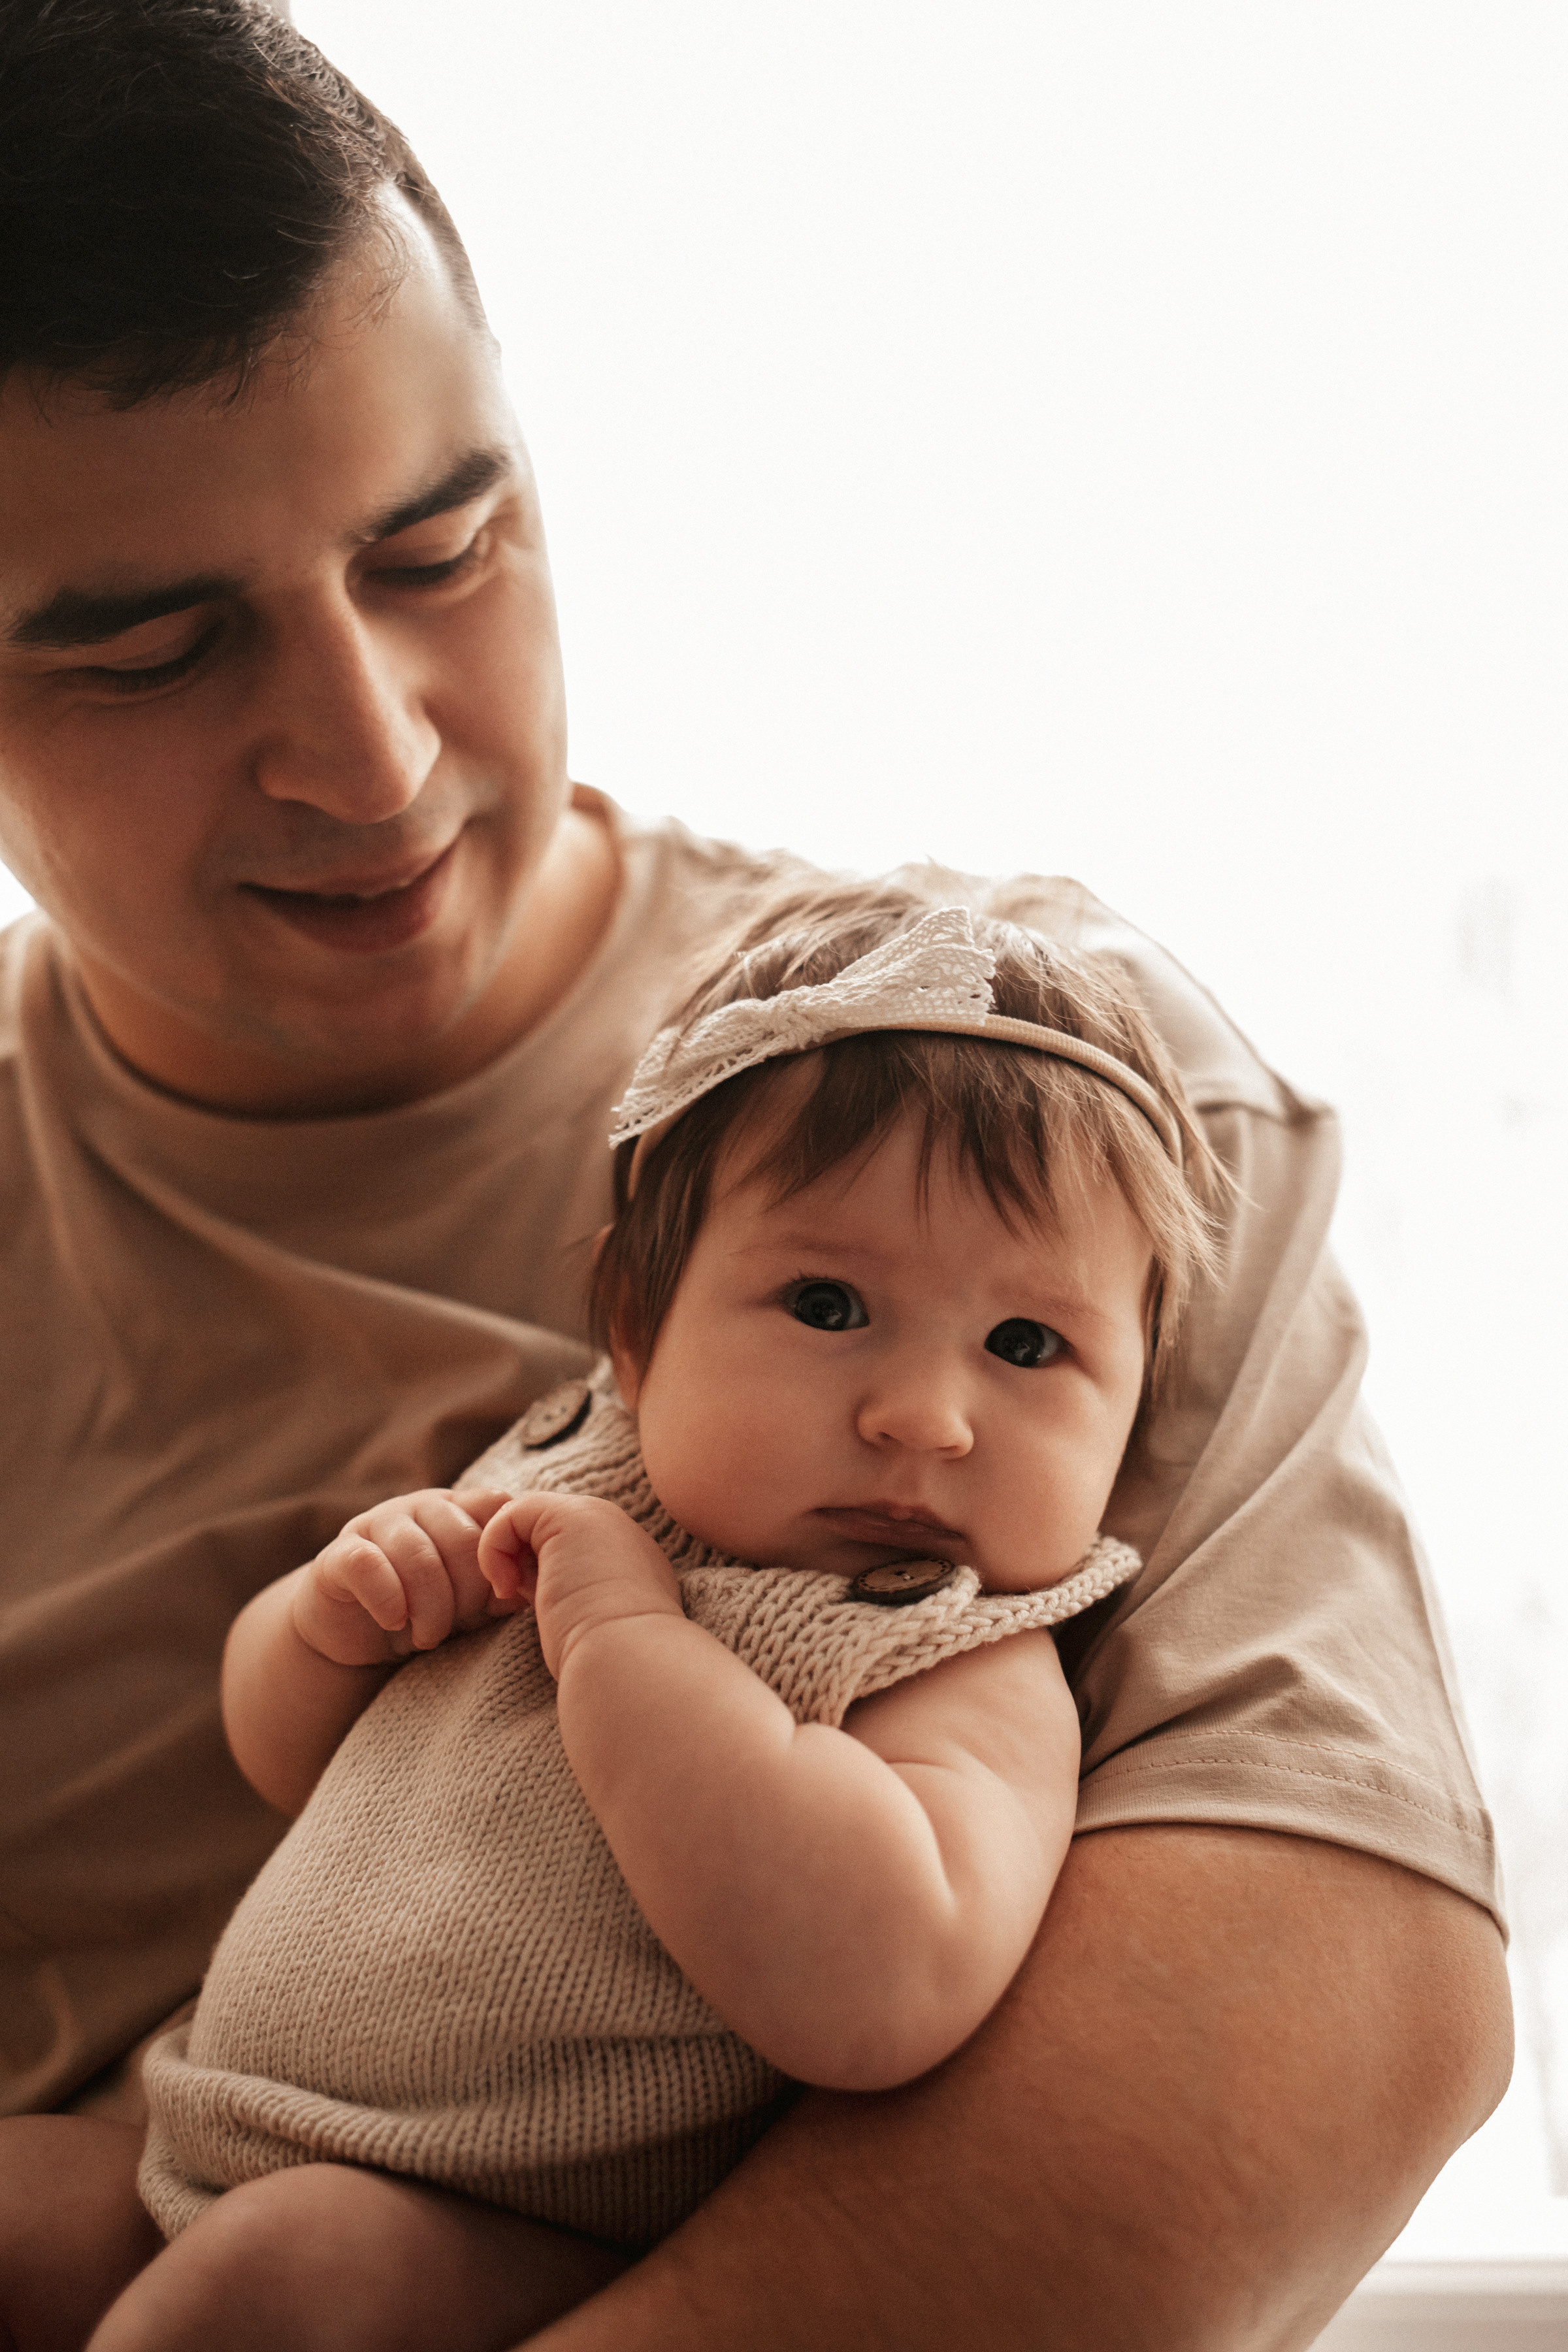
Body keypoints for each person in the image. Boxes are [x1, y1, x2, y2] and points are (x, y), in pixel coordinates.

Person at [0, 4, 1511, 2349]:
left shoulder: (1028, 1115)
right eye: (156, 648)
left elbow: (1349, 1998)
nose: (371, 756)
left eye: (444, 543)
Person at [39, 895, 1213, 2347]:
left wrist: (627, 1652)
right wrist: (332, 1622)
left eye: (1027, 1345)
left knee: (271, 2287)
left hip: (514, 2229)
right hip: (205, 2126)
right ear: (637, 1336)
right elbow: (297, 1768)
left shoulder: (948, 1651)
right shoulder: (563, 1471)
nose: (923, 1416)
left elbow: (886, 1986)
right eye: (830, 1303)